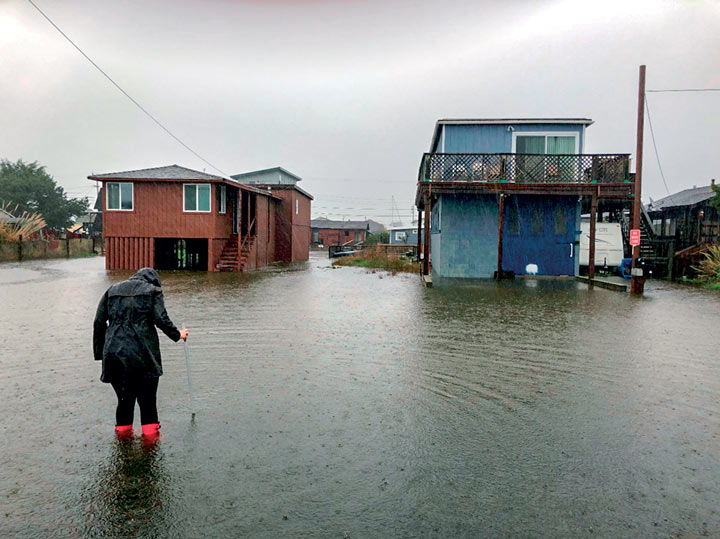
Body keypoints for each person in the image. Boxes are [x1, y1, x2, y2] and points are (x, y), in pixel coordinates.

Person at [93, 267, 188, 440]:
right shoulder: (153, 291)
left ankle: (123, 441)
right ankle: (150, 444)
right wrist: (178, 334)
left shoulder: (112, 290)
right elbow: (161, 319)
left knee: (124, 401)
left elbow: (99, 322)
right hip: (143, 356)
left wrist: (101, 354)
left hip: (114, 356)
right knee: (147, 401)